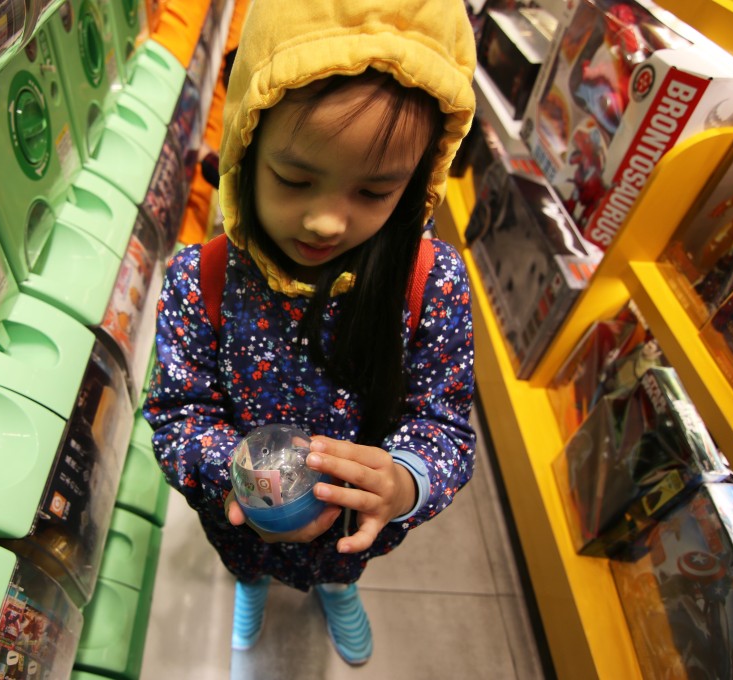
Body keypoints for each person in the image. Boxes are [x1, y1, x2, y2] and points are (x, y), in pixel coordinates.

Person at [144, 0, 477, 666]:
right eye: (295, 179)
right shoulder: (200, 279)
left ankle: (337, 588)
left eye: (374, 192)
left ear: (416, 183)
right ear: (246, 144)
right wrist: (232, 469)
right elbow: (176, 416)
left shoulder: (428, 281)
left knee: (343, 563)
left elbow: (443, 424)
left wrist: (406, 482)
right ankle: (252, 587)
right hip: (243, 517)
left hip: (353, 523)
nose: (326, 222)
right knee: (248, 559)